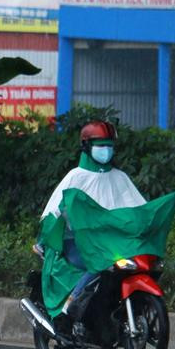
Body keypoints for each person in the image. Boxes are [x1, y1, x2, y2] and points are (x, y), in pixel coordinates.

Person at [38, 120, 145, 335]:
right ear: (86, 147)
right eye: (100, 145)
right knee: (97, 264)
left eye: (109, 145)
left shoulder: (119, 177)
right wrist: (42, 239)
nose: (106, 150)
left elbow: (138, 208)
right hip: (75, 242)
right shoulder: (75, 176)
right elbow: (54, 211)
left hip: (108, 242)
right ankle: (68, 311)